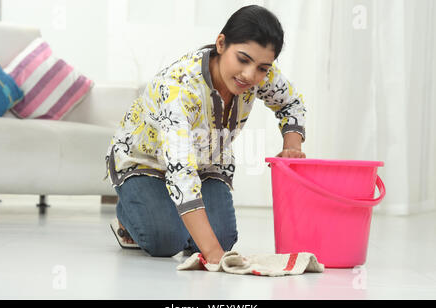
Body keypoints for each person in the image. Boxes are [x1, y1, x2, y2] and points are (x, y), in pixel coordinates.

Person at [105, 5, 306, 264]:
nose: (250, 75)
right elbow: (181, 173)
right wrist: (212, 255)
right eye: (243, 59)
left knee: (221, 239)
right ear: (221, 43)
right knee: (166, 241)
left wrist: (292, 145)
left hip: (206, 164)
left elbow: (291, 102)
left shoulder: (260, 73)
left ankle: (169, 216)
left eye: (262, 68)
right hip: (147, 163)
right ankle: (127, 213)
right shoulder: (179, 89)